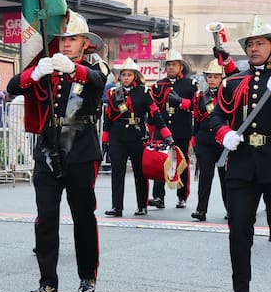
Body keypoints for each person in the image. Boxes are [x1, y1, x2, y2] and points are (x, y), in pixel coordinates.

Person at [6, 10, 108, 292]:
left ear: (84, 43)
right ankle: (47, 281)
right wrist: (35, 73)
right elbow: (14, 86)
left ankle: (87, 274)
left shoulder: (94, 66)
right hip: (48, 148)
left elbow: (99, 82)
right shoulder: (47, 67)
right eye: (62, 39)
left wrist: (74, 70)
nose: (65, 45)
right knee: (46, 217)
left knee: (83, 216)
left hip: (80, 148)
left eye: (72, 39)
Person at [209, 16, 271, 292]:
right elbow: (217, 117)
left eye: (260, 43)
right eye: (250, 44)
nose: (254, 48)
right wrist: (225, 135)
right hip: (243, 164)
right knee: (239, 234)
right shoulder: (234, 82)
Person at [102, 57, 172, 217]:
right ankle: (117, 206)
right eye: (123, 74)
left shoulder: (144, 92)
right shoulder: (114, 93)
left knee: (140, 172)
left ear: (135, 76)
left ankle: (142, 205)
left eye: (129, 74)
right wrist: (105, 137)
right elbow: (108, 117)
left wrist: (165, 133)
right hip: (118, 136)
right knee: (117, 171)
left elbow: (155, 114)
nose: (126, 77)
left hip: (137, 136)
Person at [149, 50, 197, 209]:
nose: (170, 67)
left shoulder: (190, 84)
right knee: (160, 161)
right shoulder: (158, 85)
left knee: (182, 162)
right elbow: (153, 108)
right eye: (168, 64)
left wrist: (182, 102)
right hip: (163, 128)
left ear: (181, 66)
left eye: (174, 64)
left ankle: (182, 196)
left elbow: (197, 105)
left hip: (181, 127)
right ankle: (158, 196)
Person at [191, 56, 238, 222]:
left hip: (222, 141)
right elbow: (197, 118)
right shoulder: (199, 96)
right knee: (205, 176)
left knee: (226, 178)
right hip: (204, 140)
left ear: (222, 78)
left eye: (216, 76)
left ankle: (230, 210)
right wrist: (194, 138)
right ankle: (201, 210)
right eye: (209, 76)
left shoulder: (228, 94)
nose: (212, 80)